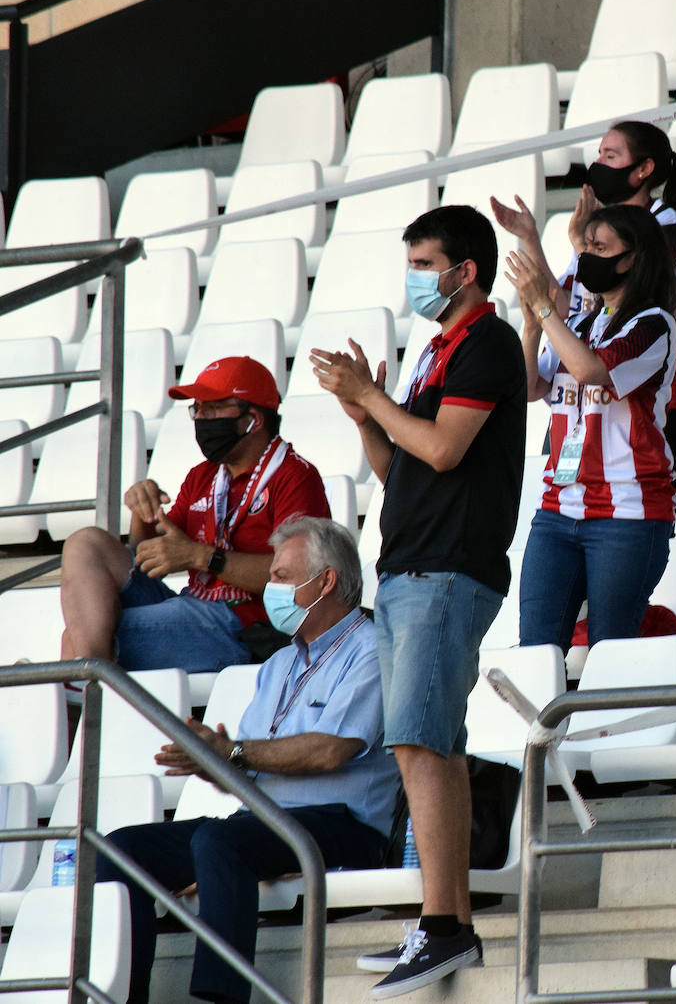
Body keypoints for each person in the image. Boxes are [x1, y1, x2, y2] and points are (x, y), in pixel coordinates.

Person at [308, 204, 525, 998]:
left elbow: (442, 446)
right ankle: (450, 922)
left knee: (417, 745)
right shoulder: (436, 352)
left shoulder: (488, 344)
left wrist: (375, 393)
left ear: (466, 271)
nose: (417, 279)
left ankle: (440, 928)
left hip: (446, 569)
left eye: (427, 264)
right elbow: (399, 467)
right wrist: (363, 411)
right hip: (409, 565)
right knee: (436, 745)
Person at [95, 516, 399, 1004]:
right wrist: (212, 764)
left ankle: (223, 998)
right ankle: (125, 996)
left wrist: (233, 752)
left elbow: (330, 750)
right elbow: (254, 765)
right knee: (121, 849)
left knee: (220, 839)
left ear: (326, 582)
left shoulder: (371, 649)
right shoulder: (278, 663)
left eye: (280, 576)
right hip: (263, 823)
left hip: (345, 826)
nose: (270, 588)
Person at [58, 356, 329, 672]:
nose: (201, 418)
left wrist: (203, 557)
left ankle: (89, 676)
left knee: (78, 635)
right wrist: (144, 514)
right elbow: (150, 559)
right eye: (197, 409)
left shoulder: (295, 476)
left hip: (244, 625)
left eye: (212, 409)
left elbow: (300, 579)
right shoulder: (202, 476)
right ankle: (94, 672)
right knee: (85, 542)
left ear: (252, 419)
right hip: (192, 605)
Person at [506, 203, 676, 650]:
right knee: (536, 651)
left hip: (628, 512)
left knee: (610, 652)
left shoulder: (654, 325)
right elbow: (530, 387)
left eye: (599, 247)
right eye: (585, 246)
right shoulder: (580, 321)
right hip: (557, 508)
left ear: (632, 259)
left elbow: (589, 370)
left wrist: (546, 311)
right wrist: (530, 327)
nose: (586, 257)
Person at [492, 119, 676, 484]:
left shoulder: (665, 222)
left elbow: (636, 289)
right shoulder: (596, 230)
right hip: (577, 404)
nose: (598, 163)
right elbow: (564, 309)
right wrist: (531, 239)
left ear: (644, 169)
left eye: (610, 154)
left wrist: (579, 245)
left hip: (650, 398)